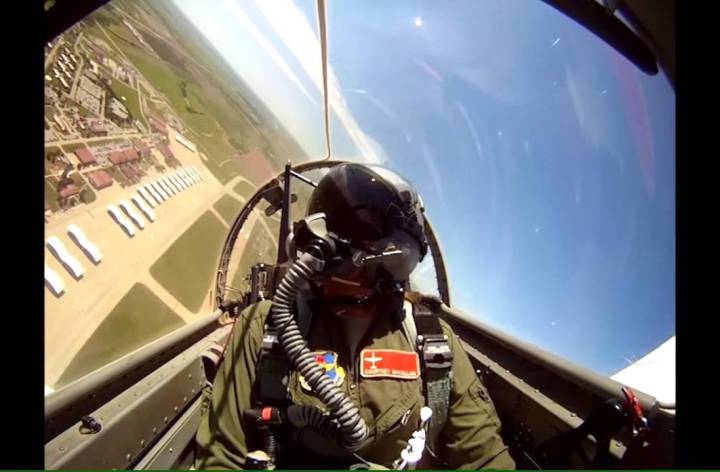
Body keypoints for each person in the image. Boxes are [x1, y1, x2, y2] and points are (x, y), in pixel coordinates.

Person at [195, 163, 515, 470]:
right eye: (370, 262)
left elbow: (483, 457)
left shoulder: (433, 341)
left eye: (393, 264)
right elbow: (221, 458)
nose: (379, 280)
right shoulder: (264, 325)